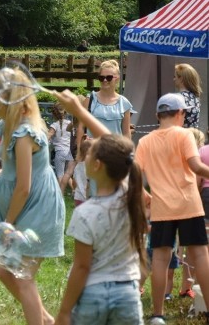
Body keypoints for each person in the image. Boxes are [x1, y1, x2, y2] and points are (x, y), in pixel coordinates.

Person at [0, 65, 65, 325]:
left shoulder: (25, 132)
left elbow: (25, 186)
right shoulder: (9, 124)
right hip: (25, 205)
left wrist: (9, 224)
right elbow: (19, 169)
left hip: (35, 207)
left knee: (22, 277)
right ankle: (47, 320)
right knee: (4, 271)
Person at [53, 92, 146, 325]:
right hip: (128, 295)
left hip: (93, 295)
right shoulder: (130, 196)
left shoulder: (84, 213)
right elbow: (122, 151)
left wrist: (64, 311)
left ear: (96, 166)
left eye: (89, 153)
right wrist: (79, 110)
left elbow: (82, 267)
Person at [133, 93, 209, 325]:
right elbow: (195, 166)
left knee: (160, 258)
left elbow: (134, 175)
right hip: (188, 203)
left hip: (161, 206)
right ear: (180, 114)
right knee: (200, 256)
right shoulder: (184, 134)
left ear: (157, 115)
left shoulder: (145, 141)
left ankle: (158, 314)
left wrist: (146, 196)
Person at [76, 60, 132, 143]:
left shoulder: (124, 103)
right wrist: (80, 152)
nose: (105, 80)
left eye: (109, 77)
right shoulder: (90, 99)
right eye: (101, 78)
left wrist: (127, 154)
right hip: (93, 152)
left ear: (117, 78)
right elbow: (81, 127)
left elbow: (126, 133)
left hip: (115, 152)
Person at [48, 105, 74, 193]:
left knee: (60, 174)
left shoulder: (54, 125)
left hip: (59, 152)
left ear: (54, 114)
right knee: (68, 174)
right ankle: (75, 191)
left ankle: (60, 194)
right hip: (69, 152)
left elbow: (49, 135)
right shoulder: (70, 123)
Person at [175, 63, 202, 129]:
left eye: (175, 77)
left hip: (179, 136)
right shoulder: (195, 98)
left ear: (181, 79)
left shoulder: (178, 98)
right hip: (193, 136)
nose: (174, 79)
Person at [72, 140, 91, 207]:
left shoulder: (78, 166)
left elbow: (74, 181)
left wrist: (74, 189)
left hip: (78, 196)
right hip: (89, 197)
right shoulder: (93, 167)